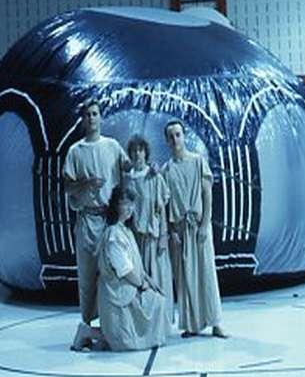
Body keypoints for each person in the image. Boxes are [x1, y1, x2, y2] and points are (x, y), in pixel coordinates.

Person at [72, 186, 170, 351]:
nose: (129, 209)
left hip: (127, 287)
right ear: (116, 206)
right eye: (125, 204)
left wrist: (149, 280)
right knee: (124, 340)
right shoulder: (114, 234)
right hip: (117, 292)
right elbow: (123, 269)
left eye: (132, 205)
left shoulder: (126, 231)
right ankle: (86, 332)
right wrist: (141, 284)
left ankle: (112, 334)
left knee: (157, 300)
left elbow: (136, 264)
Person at [63, 101, 130, 328]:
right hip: (88, 220)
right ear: (83, 120)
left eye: (95, 114)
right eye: (87, 115)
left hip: (110, 220)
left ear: (100, 117)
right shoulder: (75, 151)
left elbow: (129, 167)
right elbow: (67, 187)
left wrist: (144, 166)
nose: (91, 118)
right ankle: (87, 325)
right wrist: (86, 184)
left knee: (113, 272)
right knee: (88, 276)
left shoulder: (112, 146)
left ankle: (114, 325)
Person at [161, 119, 227, 339]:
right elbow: (165, 204)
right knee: (185, 278)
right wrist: (171, 231)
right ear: (166, 141)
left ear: (184, 136)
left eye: (178, 134)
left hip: (199, 225)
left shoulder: (198, 162)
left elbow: (207, 194)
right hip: (180, 230)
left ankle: (216, 322)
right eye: (171, 136)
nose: (175, 139)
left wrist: (205, 225)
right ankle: (192, 324)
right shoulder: (166, 170)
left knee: (207, 274)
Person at [125, 134, 174, 322]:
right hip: (135, 239)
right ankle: (145, 321)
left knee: (158, 276)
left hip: (153, 237)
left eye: (141, 150)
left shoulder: (154, 177)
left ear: (146, 153)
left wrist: (163, 235)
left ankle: (162, 319)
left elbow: (161, 208)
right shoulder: (127, 180)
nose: (138, 154)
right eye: (134, 151)